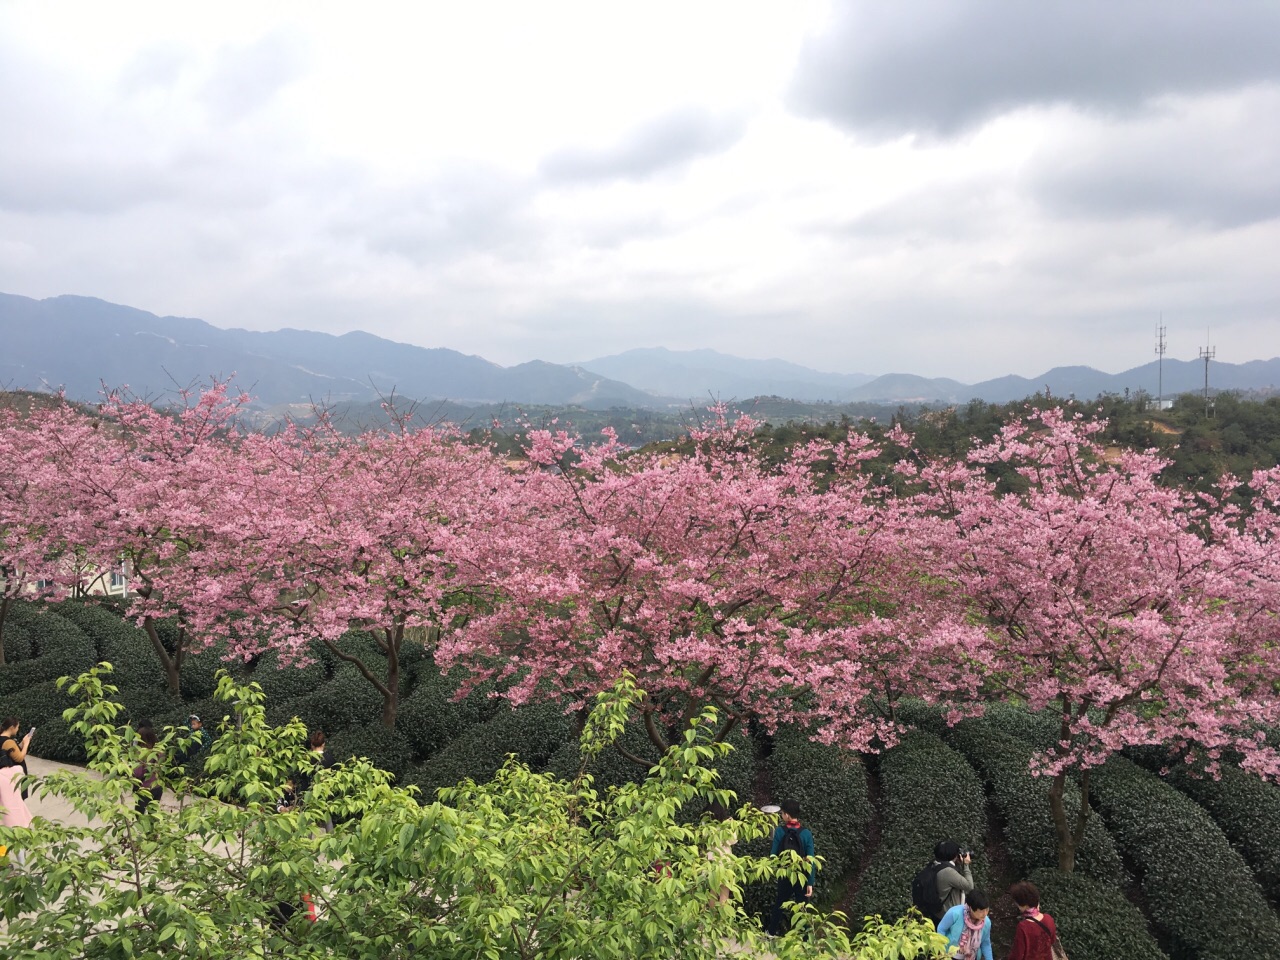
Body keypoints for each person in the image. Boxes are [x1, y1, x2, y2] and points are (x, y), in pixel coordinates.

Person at [765, 800, 815, 936]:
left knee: (780, 904)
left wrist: (776, 870)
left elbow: (773, 855)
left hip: (785, 874)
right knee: (802, 908)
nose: (781, 815)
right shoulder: (806, 834)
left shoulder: (780, 832)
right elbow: (811, 859)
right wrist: (810, 882)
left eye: (782, 813)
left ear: (787, 815)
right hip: (802, 876)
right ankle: (805, 939)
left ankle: (771, 932)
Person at [0, 717, 34, 840]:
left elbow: (12, 751)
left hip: (5, 780)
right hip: (12, 779)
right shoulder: (8, 741)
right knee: (17, 807)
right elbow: (19, 757)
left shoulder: (5, 740)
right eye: (17, 727)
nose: (18, 729)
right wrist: (26, 745)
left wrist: (21, 743)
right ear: (11, 727)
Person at [1007, 880, 1059, 960]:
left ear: (1025, 905)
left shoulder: (1023, 927)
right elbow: (1052, 940)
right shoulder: (1048, 919)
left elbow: (1018, 954)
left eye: (1017, 903)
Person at [938, 889, 994, 960]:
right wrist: (943, 950)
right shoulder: (955, 913)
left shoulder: (986, 922)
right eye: (981, 911)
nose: (985, 914)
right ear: (971, 908)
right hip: (950, 955)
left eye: (987, 910)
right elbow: (941, 929)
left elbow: (985, 943)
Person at [933, 840, 975, 916]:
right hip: (948, 916)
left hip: (939, 913)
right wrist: (966, 865)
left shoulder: (936, 865)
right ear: (953, 855)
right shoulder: (948, 872)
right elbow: (969, 886)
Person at [132, 724, 164, 812]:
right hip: (157, 787)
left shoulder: (141, 753)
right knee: (153, 814)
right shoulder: (160, 751)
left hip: (144, 789)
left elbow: (137, 773)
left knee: (139, 815)